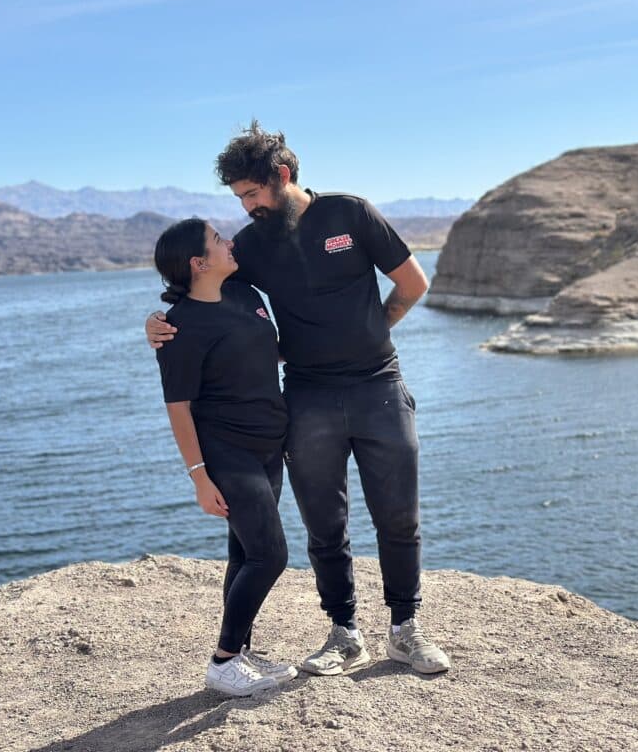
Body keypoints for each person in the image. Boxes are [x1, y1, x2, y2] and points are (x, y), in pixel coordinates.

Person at [148, 122, 451, 676]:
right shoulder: (251, 247)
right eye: (238, 198)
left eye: (252, 193)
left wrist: (374, 332)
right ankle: (344, 633)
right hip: (307, 397)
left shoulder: (350, 214)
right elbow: (206, 298)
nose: (246, 207)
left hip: (378, 386)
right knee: (324, 525)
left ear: (282, 176)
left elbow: (413, 283)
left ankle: (405, 631)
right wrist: (160, 324)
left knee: (398, 516)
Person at [152, 217, 298, 696]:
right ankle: (223, 660)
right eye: (217, 240)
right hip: (226, 452)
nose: (228, 242)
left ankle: (243, 651)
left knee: (243, 552)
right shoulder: (179, 328)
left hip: (268, 444)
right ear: (198, 263)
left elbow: (271, 353)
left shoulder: (245, 296)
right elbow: (178, 408)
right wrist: (199, 477)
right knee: (270, 554)